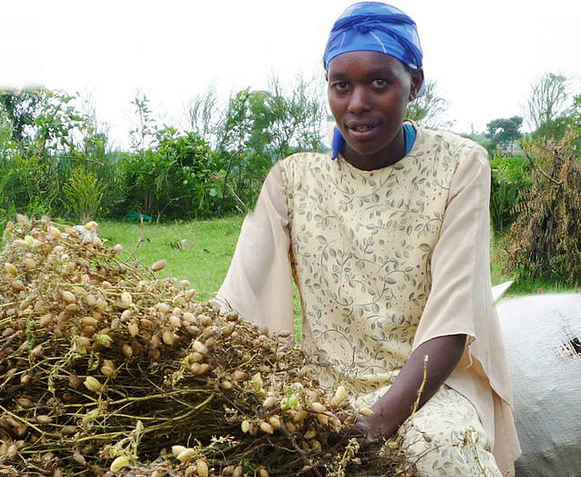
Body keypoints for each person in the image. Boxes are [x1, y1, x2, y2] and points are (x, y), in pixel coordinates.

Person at [217, 2, 521, 475]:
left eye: (379, 82)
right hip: (324, 387)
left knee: (437, 448)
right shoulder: (292, 180)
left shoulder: (459, 165)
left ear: (414, 83)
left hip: (429, 387)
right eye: (342, 85)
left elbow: (453, 317)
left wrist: (374, 426)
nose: (357, 102)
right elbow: (240, 297)